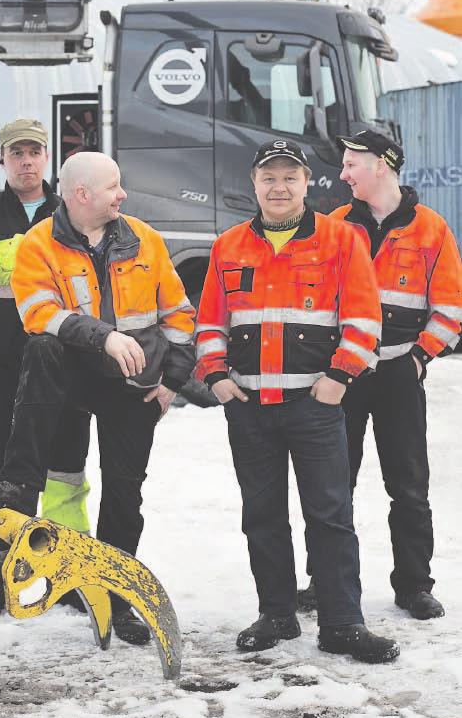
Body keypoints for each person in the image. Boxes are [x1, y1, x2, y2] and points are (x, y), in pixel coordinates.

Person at [0, 151, 196, 645]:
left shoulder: (144, 239)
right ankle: (20, 485)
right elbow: (36, 313)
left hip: (134, 385)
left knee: (124, 494)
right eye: (113, 186)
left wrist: (172, 383)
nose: (123, 194)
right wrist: (105, 337)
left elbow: (180, 316)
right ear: (82, 195)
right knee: (43, 348)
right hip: (71, 374)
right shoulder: (39, 244)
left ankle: (118, 598)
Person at [194, 138, 399, 664]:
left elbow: (364, 319)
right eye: (269, 177)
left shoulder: (341, 240)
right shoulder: (229, 245)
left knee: (330, 514)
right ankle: (277, 614)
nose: (279, 186)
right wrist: (216, 376)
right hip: (250, 406)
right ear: (254, 184)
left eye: (290, 176)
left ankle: (342, 623)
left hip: (316, 404)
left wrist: (340, 376)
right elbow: (211, 322)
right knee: (262, 514)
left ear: (308, 183)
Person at [298, 130, 462, 620]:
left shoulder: (432, 229)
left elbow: (451, 307)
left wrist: (417, 359)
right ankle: (324, 580)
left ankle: (414, 585)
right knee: (332, 483)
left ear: (383, 167)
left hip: (397, 374)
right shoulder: (333, 226)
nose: (343, 174)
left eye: (352, 165)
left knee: (408, 485)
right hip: (343, 374)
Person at [0, 119, 92, 534]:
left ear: (48, 158)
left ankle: (69, 565)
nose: (26, 163)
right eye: (16, 154)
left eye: (34, 153)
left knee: (65, 468)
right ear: (1, 160)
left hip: (63, 364)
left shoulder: (74, 216)